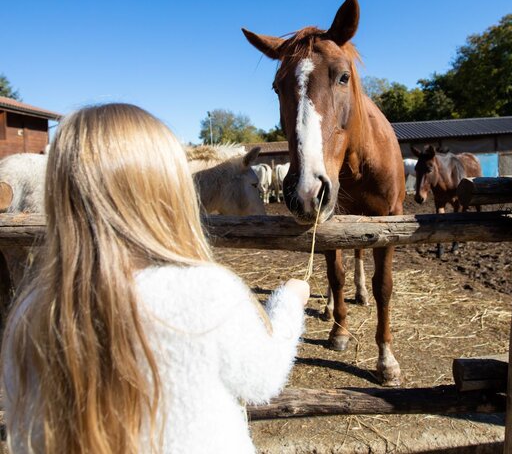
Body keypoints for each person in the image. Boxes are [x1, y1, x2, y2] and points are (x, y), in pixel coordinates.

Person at [1, 103, 309, 454]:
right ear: (168, 187)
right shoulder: (204, 291)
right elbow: (262, 379)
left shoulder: (29, 314)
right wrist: (288, 303)